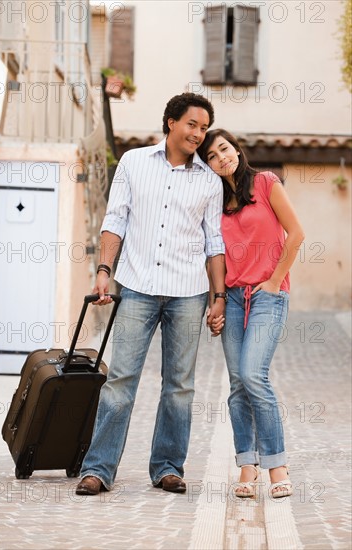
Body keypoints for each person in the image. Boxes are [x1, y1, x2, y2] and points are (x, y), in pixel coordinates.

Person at [75, 93, 226, 496]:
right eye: (192, 124)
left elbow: (215, 243)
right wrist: (104, 271)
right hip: (137, 286)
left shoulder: (210, 182)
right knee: (120, 380)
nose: (199, 133)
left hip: (188, 293)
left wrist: (219, 296)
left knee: (179, 385)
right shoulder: (133, 162)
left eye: (204, 127)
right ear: (171, 122)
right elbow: (115, 219)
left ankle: (168, 467)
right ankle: (99, 469)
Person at [198, 129, 305, 498]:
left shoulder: (265, 183)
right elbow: (216, 255)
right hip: (232, 295)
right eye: (211, 156)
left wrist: (275, 280)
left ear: (237, 149)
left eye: (224, 149)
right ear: (208, 165)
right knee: (237, 384)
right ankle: (247, 465)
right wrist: (218, 299)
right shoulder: (216, 204)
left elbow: (297, 234)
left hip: (267, 295)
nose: (221, 158)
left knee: (253, 374)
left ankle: (277, 466)